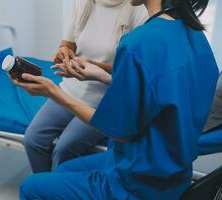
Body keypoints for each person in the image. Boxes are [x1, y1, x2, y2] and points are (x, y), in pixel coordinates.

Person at [14, 0, 219, 199]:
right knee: (64, 168)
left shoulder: (137, 43)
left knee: (31, 187)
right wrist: (102, 76)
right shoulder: (195, 33)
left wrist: (53, 92)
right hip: (173, 173)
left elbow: (119, 133)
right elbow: (163, 90)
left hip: (136, 184)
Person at [23, 0, 148, 173]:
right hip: (71, 89)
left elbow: (132, 71)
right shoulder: (82, 3)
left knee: (63, 149)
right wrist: (64, 51)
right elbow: (68, 43)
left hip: (105, 101)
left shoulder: (138, 9)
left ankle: (60, 191)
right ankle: (44, 188)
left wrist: (93, 68)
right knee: (32, 139)